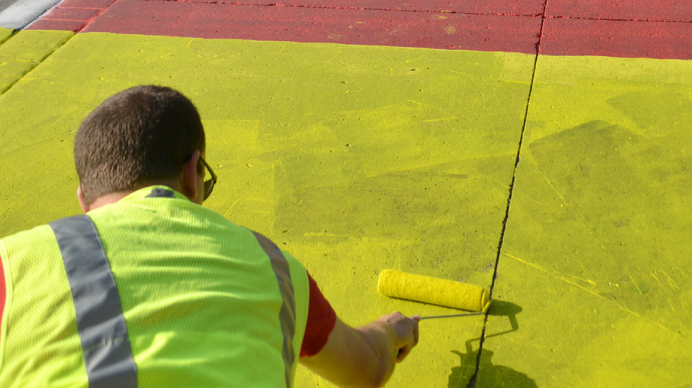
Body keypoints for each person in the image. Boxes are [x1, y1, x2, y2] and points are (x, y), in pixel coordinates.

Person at [0, 85, 420, 387]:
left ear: (83, 198)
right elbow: (365, 370)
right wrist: (390, 330)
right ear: (193, 173)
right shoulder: (274, 269)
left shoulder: (12, 264)